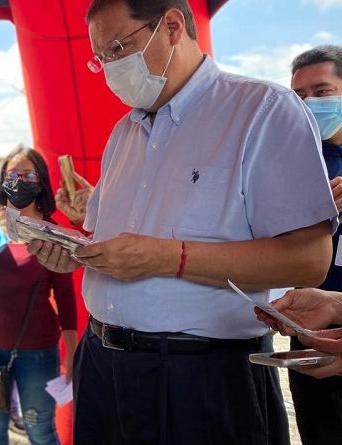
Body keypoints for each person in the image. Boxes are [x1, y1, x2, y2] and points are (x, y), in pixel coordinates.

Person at [28, 1, 338, 444]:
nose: (111, 67)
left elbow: (308, 259)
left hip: (203, 376)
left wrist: (167, 258)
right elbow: (113, 246)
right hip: (103, 363)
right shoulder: (124, 134)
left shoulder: (263, 111)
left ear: (171, 26)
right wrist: (73, 254)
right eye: (102, 58)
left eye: (117, 48)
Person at [0, 147, 77, 445]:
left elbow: (65, 297)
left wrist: (72, 352)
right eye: (12, 175)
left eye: (27, 174)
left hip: (37, 350)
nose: (19, 181)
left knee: (39, 429)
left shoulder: (52, 231)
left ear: (40, 182)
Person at [281, 44, 342, 445]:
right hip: (305, 319)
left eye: (322, 92)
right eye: (299, 96)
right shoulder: (291, 160)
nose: (309, 104)